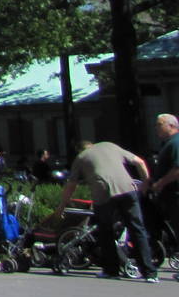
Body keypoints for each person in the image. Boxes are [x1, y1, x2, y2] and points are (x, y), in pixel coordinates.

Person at [56, 139, 158, 281]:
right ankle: (150, 273)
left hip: (104, 193)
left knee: (106, 231)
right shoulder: (110, 146)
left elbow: (71, 184)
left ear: (79, 150)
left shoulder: (81, 157)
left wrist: (62, 206)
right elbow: (139, 162)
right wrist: (146, 183)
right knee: (137, 229)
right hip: (128, 189)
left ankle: (112, 270)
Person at [149, 113, 178, 262]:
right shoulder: (167, 144)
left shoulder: (176, 143)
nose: (156, 128)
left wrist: (159, 183)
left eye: (159, 124)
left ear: (171, 126)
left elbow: (177, 170)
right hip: (169, 195)